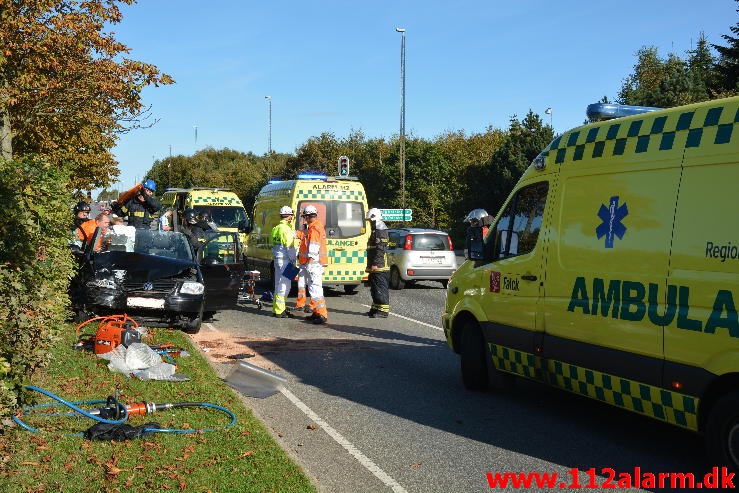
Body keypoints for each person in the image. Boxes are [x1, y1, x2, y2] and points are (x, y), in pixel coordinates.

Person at [297, 204, 329, 325]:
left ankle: (322, 314)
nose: (304, 219)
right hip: (316, 263)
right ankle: (316, 312)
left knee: (315, 289)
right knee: (313, 288)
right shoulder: (315, 227)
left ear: (309, 216)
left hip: (314, 263)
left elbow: (313, 248)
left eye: (305, 217)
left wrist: (310, 262)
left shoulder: (314, 229)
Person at [271, 206, 297, 318]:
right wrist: (294, 261)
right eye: (291, 215)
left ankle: (277, 309)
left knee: (278, 285)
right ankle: (280, 311)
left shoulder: (275, 228)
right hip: (286, 261)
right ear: (289, 216)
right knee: (285, 285)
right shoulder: (286, 229)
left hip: (277, 260)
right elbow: (290, 247)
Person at [365, 208, 390, 318]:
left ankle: (383, 311)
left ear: (375, 218)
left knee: (380, 287)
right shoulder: (376, 230)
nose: (369, 222)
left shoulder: (380, 230)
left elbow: (380, 249)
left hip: (380, 266)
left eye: (370, 220)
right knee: (375, 288)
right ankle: (375, 308)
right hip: (375, 265)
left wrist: (375, 263)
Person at [292, 220, 312, 313]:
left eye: (304, 226)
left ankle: (313, 305)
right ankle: (300, 304)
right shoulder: (303, 234)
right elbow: (294, 234)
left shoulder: (311, 234)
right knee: (301, 285)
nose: (303, 227)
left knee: (312, 286)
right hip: (302, 264)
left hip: (310, 264)